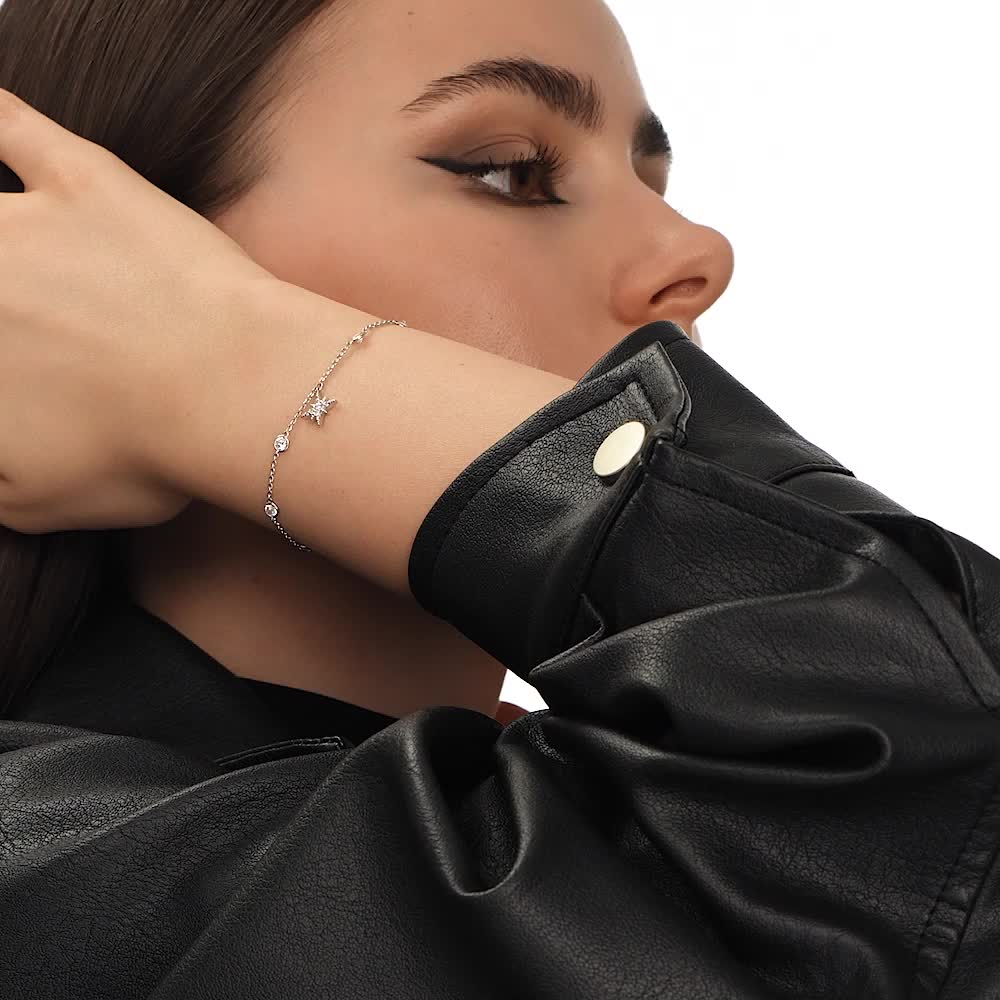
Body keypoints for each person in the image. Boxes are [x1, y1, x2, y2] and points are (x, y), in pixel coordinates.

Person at [1, 1, 999, 997]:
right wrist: (237, 363)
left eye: (649, 179)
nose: (697, 249)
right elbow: (935, 764)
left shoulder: (652, 811)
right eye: (513, 172)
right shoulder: (56, 873)